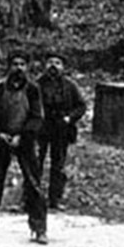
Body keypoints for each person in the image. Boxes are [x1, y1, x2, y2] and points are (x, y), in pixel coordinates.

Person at [0, 51, 48, 243]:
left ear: (27, 67)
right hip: (3, 140)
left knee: (34, 184)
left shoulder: (33, 89)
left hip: (24, 142)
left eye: (22, 64)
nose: (18, 68)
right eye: (15, 64)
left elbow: (37, 117)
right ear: (9, 66)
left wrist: (23, 136)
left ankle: (39, 229)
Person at [36, 53, 87, 211]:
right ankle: (32, 198)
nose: (53, 66)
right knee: (36, 163)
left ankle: (55, 199)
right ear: (45, 65)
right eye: (50, 62)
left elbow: (81, 106)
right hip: (41, 129)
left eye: (57, 63)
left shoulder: (70, 86)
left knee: (58, 165)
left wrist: (69, 118)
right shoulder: (37, 84)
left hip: (61, 129)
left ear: (63, 67)